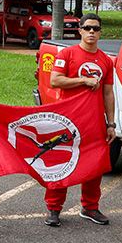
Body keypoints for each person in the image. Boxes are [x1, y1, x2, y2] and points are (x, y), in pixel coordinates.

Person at [44, 12, 116, 226]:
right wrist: (83, 80)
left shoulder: (105, 60)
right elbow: (55, 81)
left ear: (100, 32)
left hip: (94, 121)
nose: (91, 32)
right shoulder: (67, 54)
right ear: (80, 31)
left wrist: (111, 123)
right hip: (67, 119)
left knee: (95, 164)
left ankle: (90, 207)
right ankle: (54, 209)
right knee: (61, 162)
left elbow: (108, 93)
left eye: (95, 28)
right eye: (87, 28)